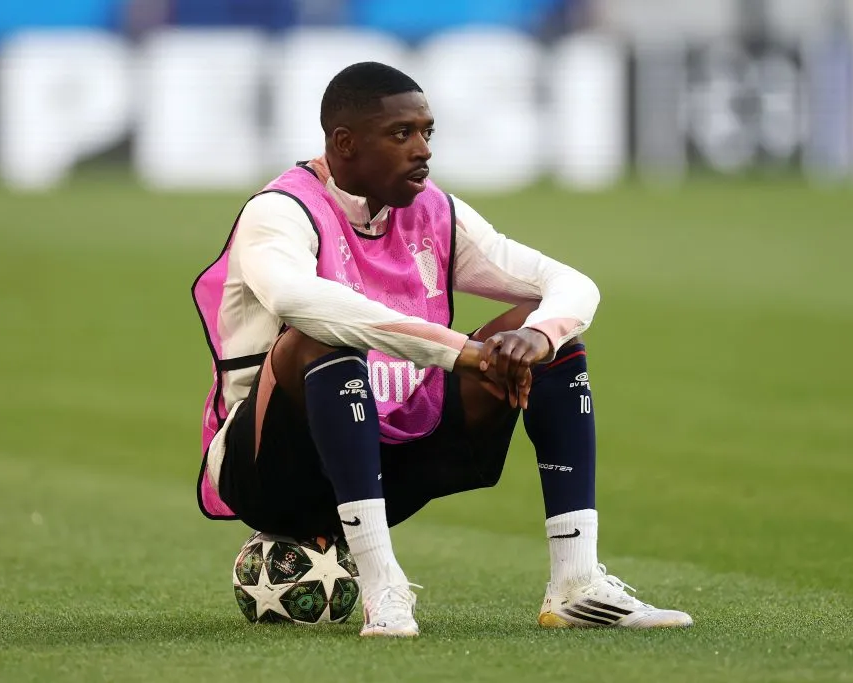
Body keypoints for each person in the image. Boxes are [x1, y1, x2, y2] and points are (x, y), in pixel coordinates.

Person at [192, 61, 692, 637]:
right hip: (270, 470)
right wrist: (463, 352)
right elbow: (298, 300)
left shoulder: (434, 211)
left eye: (427, 132)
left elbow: (571, 284)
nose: (423, 149)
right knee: (319, 336)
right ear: (345, 143)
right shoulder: (281, 210)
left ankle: (575, 583)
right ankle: (383, 587)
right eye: (401, 133)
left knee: (547, 332)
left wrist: (537, 336)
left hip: (389, 455)